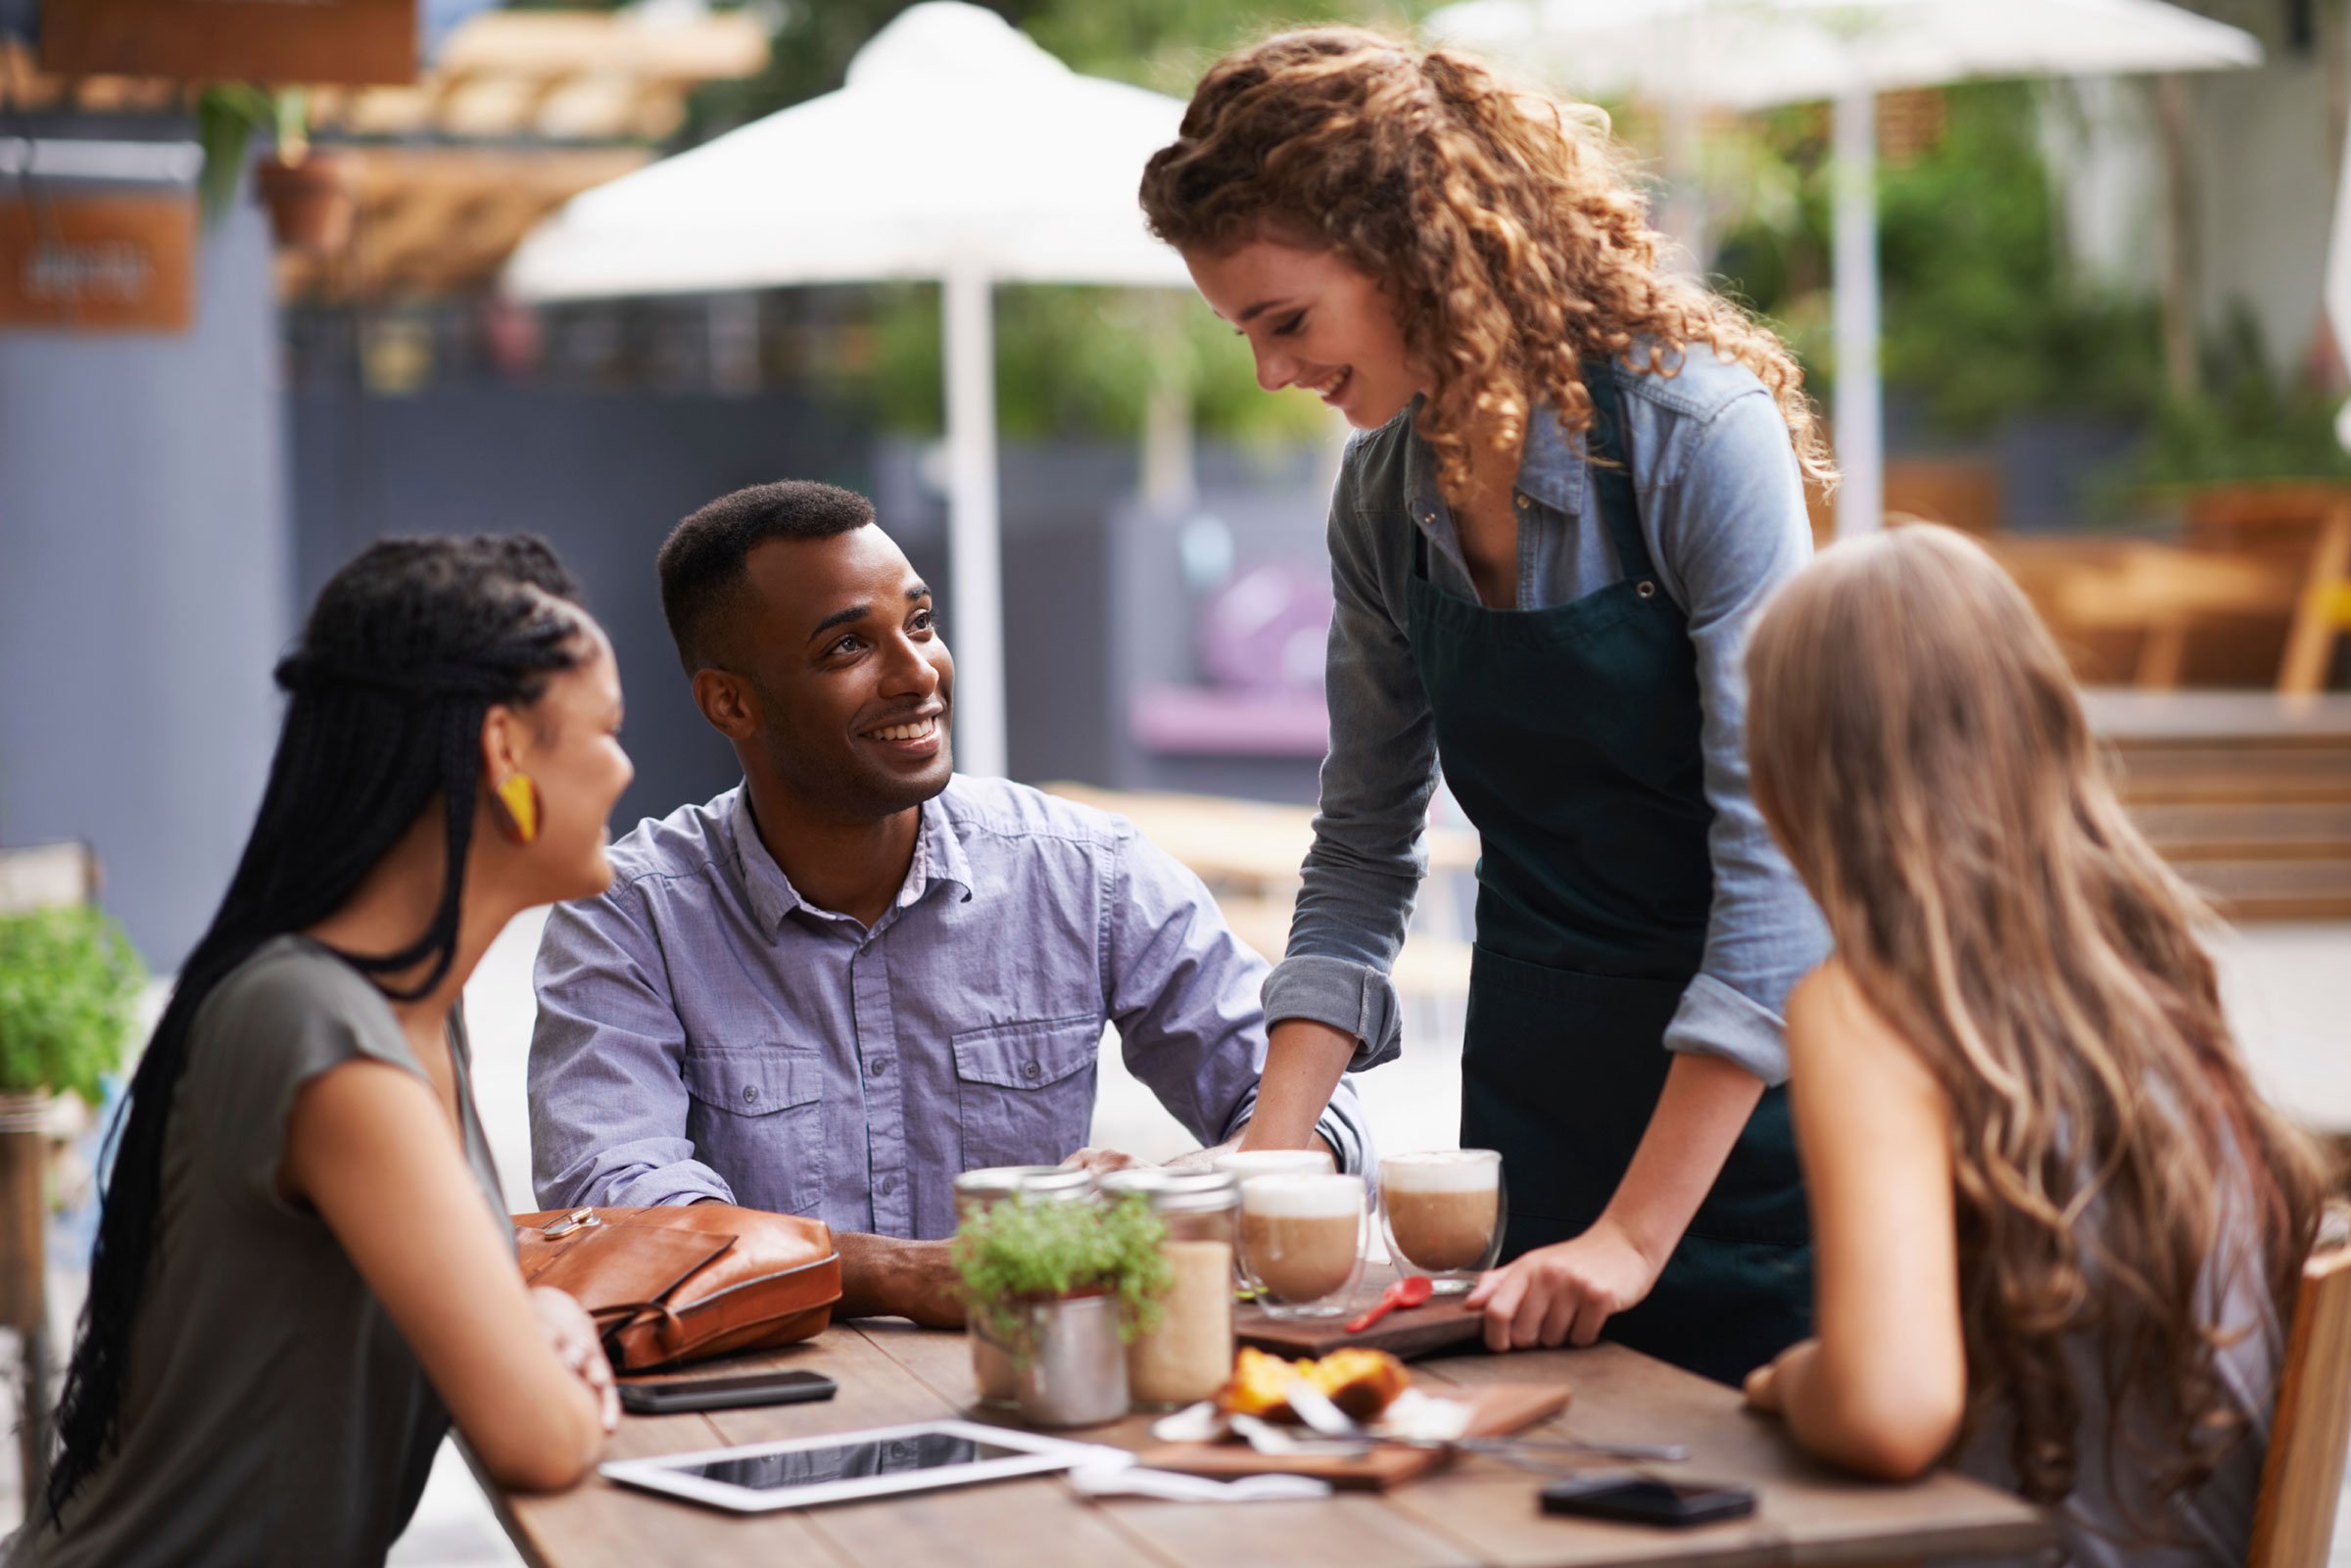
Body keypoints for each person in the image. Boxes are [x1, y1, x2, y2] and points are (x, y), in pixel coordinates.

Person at [1139, 28, 1831, 1381]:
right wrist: (1262, 1161)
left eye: (1287, 322)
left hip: (1750, 1129)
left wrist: (1635, 1239)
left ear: (1414, 254)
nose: (1271, 373)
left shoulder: (1696, 440)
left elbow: (1783, 864)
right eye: (1243, 334)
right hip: (1539, 1112)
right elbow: (1361, 843)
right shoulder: (1383, 498)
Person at [529, 480, 1371, 1324]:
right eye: (849, 647)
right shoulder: (626, 916)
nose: (917, 671)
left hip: (1045, 1398)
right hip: (763, 1422)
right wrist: (908, 1273)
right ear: (731, 702)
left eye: (921, 623)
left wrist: (1152, 1198)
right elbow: (623, 1211)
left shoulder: (1088, 872)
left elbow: (1318, 1120)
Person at [18, 539, 629, 1568]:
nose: (624, 766)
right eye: (608, 727)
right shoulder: (318, 1027)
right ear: (505, 750)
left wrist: (546, 1304)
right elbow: (542, 1431)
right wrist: (539, 1333)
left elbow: (499, 1319)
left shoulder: (412, 1012)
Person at [1739, 525, 2334, 1566]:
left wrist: (1795, 1377)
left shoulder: (1870, 1006)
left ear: (1801, 780)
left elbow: (1892, 1404)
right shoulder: (2140, 977)